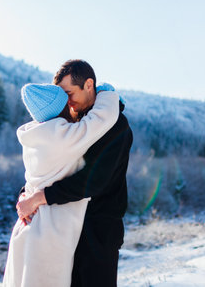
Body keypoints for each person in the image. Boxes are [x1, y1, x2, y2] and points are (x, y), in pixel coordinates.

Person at [16, 59, 133, 287]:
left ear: (89, 85)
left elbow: (94, 180)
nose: (66, 102)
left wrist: (39, 198)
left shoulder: (116, 127)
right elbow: (53, 168)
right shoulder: (73, 123)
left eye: (69, 93)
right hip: (66, 228)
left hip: (98, 229)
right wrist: (26, 194)